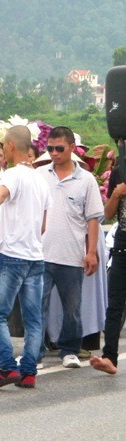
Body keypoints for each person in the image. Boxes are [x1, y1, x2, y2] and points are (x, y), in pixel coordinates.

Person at [0, 125, 51, 389]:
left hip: (13, 256)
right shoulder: (42, 180)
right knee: (33, 318)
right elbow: (43, 226)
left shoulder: (13, 175)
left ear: (12, 147)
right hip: (36, 258)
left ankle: (6, 367)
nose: (2, 150)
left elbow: (1, 196)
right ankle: (28, 372)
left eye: (4, 145)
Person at [35, 126, 104, 369]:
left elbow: (93, 219)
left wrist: (91, 252)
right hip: (40, 254)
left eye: (59, 148)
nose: (54, 153)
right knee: (37, 307)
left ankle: (70, 350)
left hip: (72, 255)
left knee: (72, 308)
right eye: (50, 148)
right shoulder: (40, 175)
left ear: (72, 148)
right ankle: (35, 354)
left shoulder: (86, 180)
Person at [91, 152, 126, 375]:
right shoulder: (119, 171)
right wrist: (116, 193)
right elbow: (107, 214)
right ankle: (109, 358)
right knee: (114, 305)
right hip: (122, 246)